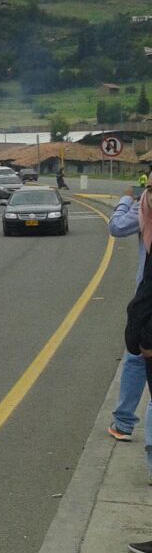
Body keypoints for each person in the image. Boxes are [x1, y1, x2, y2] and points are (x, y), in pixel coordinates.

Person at [105, 186, 152, 482]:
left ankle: (123, 423)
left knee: (136, 357)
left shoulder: (144, 204)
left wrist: (125, 200)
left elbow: (116, 227)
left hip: (146, 300)